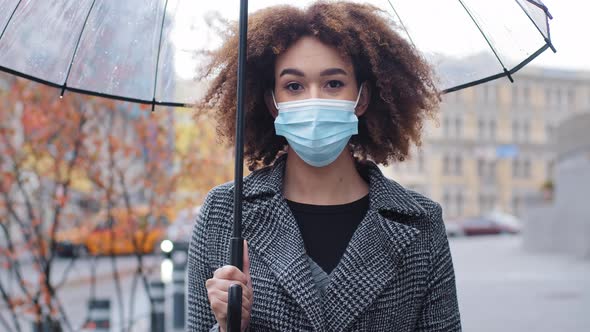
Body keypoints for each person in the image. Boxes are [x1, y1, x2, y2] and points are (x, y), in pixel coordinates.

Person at [187, 2, 461, 331]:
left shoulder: (421, 223)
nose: (313, 100)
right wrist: (230, 328)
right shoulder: (224, 212)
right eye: (293, 86)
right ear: (272, 104)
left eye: (333, 84)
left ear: (361, 98)